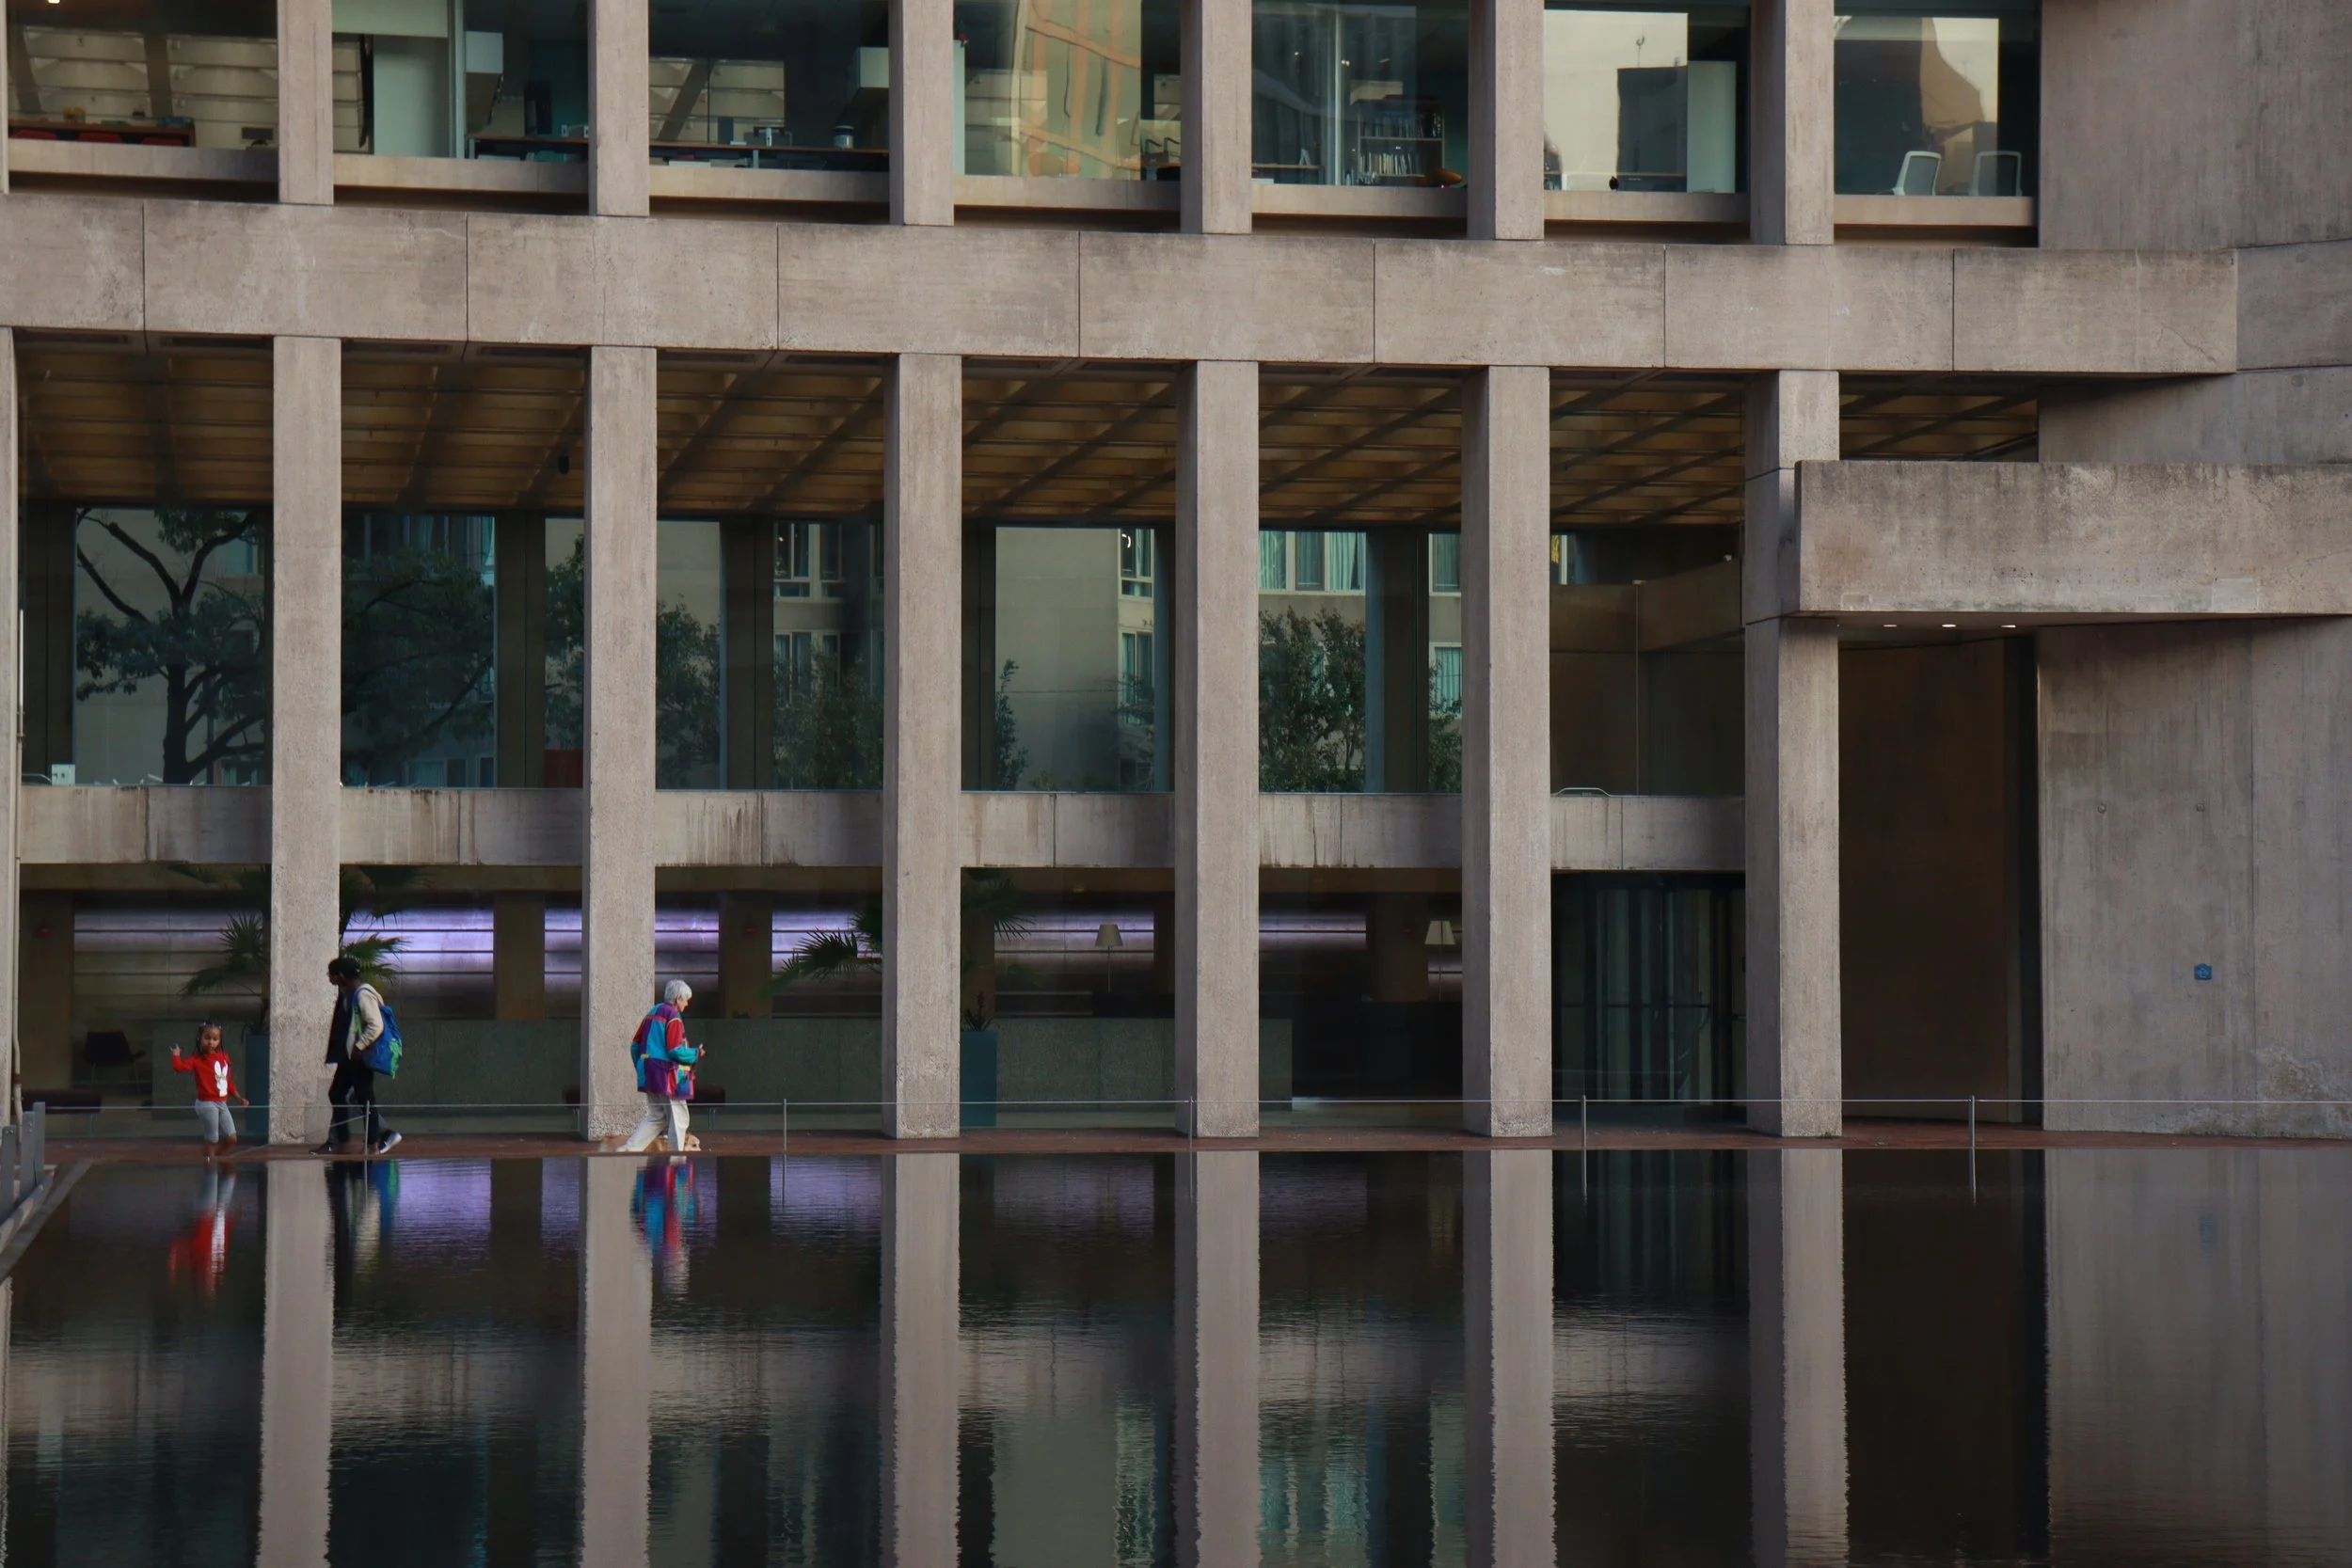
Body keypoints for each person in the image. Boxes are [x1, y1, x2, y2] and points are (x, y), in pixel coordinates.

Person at [312, 957, 402, 1158]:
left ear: (341, 975)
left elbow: (376, 1025)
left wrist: (359, 1046)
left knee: (364, 1098)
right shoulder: (348, 993)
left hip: (360, 1057)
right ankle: (341, 1139)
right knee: (337, 1093)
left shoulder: (362, 995)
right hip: (349, 1058)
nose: (330, 978)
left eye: (332, 974)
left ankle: (374, 1143)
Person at [619, 980, 702, 1153]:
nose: (687, 1004)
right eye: (686, 1000)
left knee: (657, 1115)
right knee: (679, 1117)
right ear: (678, 998)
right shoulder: (673, 1016)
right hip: (667, 1074)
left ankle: (629, 1149)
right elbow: (674, 1051)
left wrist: (642, 1067)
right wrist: (695, 1053)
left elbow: (635, 1045)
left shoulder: (652, 1012)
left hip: (648, 1070)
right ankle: (676, 1159)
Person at [168, 1021, 249, 1158]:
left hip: (222, 1103)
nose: (211, 1042)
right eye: (207, 1038)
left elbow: (227, 1081)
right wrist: (176, 1055)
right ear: (200, 1038)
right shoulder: (197, 1059)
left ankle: (217, 1157)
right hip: (207, 1103)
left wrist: (239, 1098)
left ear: (219, 1040)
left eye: (215, 1039)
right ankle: (210, 1165)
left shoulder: (224, 1057)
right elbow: (179, 1067)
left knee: (232, 1138)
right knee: (212, 1139)